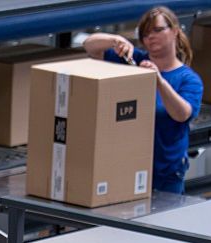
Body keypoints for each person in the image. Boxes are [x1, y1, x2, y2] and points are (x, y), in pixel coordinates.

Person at [83, 6, 203, 194]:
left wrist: (158, 81)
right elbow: (90, 47)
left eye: (157, 30)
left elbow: (182, 114)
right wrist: (115, 40)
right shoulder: (133, 61)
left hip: (166, 174)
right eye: (145, 33)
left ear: (175, 32)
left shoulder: (188, 79)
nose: (151, 37)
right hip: (127, 168)